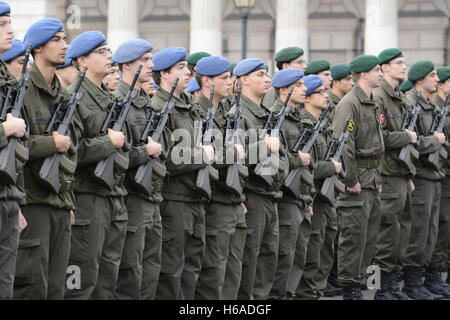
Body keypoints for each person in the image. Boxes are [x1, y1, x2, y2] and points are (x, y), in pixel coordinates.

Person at [64, 30, 128, 300]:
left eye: (108, 50)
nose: (109, 56)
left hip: (111, 196)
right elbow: (71, 151)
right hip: (86, 197)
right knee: (81, 279)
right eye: (101, 52)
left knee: (107, 280)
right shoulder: (72, 97)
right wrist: (109, 143)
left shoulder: (110, 98)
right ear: (82, 61)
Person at [14, 18, 75, 300]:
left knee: (56, 289)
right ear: (37, 48)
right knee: (33, 287)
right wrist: (53, 143)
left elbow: (70, 153)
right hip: (33, 202)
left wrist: (68, 200)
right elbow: (15, 146)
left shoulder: (62, 95)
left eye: (64, 39)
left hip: (59, 204)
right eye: (57, 40)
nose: (65, 46)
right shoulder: (21, 92)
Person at [152, 47, 212, 300]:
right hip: (174, 200)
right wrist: (203, 155)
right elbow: (168, 159)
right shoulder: (158, 107)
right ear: (164, 73)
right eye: (181, 68)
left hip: (195, 197)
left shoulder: (189, 106)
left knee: (192, 270)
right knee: (171, 272)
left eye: (187, 67)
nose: (188, 73)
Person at [112, 39, 165, 300]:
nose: (151, 65)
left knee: (151, 271)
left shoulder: (146, 102)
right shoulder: (117, 100)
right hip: (131, 195)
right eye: (144, 60)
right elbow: (115, 155)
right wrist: (147, 151)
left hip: (151, 196)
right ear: (127, 65)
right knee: (130, 273)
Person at [192, 56, 248, 300]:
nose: (231, 82)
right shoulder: (198, 112)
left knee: (233, 272)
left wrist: (239, 196)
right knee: (214, 273)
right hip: (214, 201)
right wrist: (232, 153)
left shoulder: (226, 111)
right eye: (225, 78)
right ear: (207, 81)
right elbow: (202, 154)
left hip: (232, 199)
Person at [233, 58, 289, 300]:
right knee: (249, 259)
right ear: (244, 80)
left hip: (270, 195)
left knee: (268, 258)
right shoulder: (238, 113)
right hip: (252, 195)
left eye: (267, 74)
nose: (267, 79)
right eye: (260, 75)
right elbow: (235, 158)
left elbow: (282, 155)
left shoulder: (265, 113)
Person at [331, 55, 385, 300]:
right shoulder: (349, 103)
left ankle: (360, 280)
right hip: (358, 179)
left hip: (372, 178)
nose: (380, 74)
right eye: (376, 70)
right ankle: (349, 287)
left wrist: (378, 179)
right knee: (353, 236)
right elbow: (345, 145)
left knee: (369, 236)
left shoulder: (371, 102)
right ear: (363, 74)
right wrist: (350, 179)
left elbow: (378, 143)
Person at [372, 48, 415, 300]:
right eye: (399, 63)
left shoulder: (398, 96)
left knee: (401, 231)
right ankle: (376, 287)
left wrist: (408, 174)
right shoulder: (379, 97)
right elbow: (380, 138)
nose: (404, 66)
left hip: (400, 172)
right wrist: (406, 137)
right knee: (383, 234)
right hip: (386, 173)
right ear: (384, 68)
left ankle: (390, 285)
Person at [402, 61, 447, 300]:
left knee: (430, 230)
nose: (436, 80)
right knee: (418, 231)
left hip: (433, 174)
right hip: (419, 175)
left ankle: (424, 279)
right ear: (419, 80)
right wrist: (435, 141)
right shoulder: (411, 104)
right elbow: (411, 141)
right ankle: (411, 282)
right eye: (432, 76)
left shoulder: (428, 106)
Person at [265, 68, 311, 300]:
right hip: (283, 197)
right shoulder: (276, 118)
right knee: (283, 257)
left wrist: (306, 195)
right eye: (300, 85)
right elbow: (274, 161)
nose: (305, 89)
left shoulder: (296, 117)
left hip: (298, 197)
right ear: (285, 89)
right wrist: (297, 160)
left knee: (296, 256)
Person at [0, 1, 27, 300]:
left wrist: (15, 196)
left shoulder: (9, 81)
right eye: (3, 24)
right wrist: (5, 129)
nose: (11, 30)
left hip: (7, 197)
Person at [322, 63, 353, 297]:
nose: (351, 83)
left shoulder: (337, 104)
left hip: (336, 174)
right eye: (348, 79)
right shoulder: (334, 105)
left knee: (332, 232)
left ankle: (328, 278)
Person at [428, 66, 450, 297]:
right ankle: (433, 272)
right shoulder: (434, 108)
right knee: (439, 223)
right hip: (439, 172)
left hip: (443, 173)